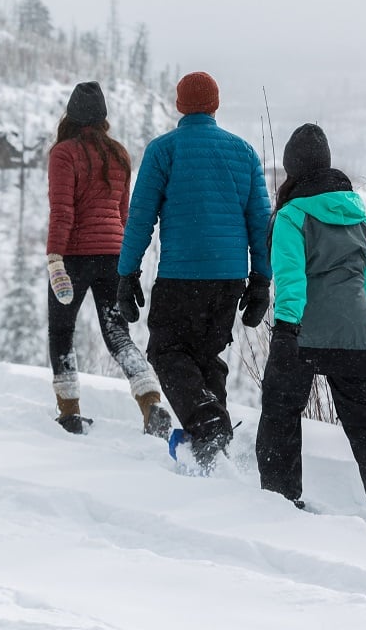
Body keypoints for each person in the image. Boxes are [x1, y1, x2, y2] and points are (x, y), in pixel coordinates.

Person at [255, 123, 366, 532]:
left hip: (302, 333)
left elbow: (291, 281)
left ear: (291, 168)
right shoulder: (357, 216)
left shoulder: (291, 216)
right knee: (363, 417)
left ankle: (279, 499)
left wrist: (285, 331)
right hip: (358, 335)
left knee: (280, 409)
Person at [115, 71, 273, 471]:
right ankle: (212, 450)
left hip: (182, 276)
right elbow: (260, 222)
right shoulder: (245, 154)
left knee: (166, 350)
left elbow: (140, 218)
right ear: (215, 105)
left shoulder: (163, 150)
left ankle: (207, 423)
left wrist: (126, 273)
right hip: (228, 280)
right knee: (206, 355)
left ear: (179, 106)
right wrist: (260, 281)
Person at [46, 81, 173, 438]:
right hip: (112, 257)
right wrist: (126, 262)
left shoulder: (64, 154)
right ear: (103, 117)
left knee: (61, 331)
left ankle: (70, 414)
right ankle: (151, 402)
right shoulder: (119, 154)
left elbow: (62, 212)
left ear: (71, 115)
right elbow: (124, 215)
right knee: (118, 335)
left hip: (72, 257)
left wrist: (55, 256)